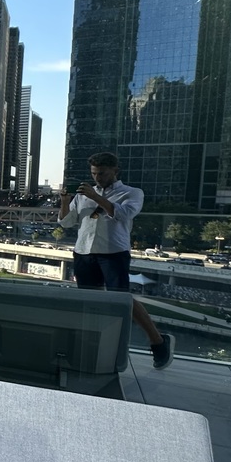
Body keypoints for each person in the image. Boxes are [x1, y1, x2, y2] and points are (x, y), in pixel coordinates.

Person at [59, 152, 174, 369]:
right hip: (84, 252)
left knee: (121, 301)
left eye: (102, 173)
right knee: (90, 301)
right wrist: (65, 202)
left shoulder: (131, 193)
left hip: (113, 253)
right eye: (94, 173)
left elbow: (123, 214)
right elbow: (66, 223)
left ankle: (158, 341)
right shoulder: (83, 194)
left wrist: (96, 197)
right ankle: (93, 346)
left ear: (115, 171)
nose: (98, 178)